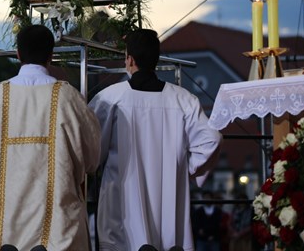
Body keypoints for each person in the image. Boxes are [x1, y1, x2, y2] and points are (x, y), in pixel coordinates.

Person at [88, 28, 222, 251]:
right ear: (156, 59)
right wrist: (188, 168)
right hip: (168, 203)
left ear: (129, 60)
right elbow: (212, 140)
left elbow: (92, 148)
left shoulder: (110, 98)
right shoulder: (183, 99)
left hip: (123, 204)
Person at [0, 24, 101, 250]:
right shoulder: (68, 97)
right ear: (52, 55)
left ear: (18, 54)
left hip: (5, 220)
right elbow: (91, 157)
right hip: (59, 225)